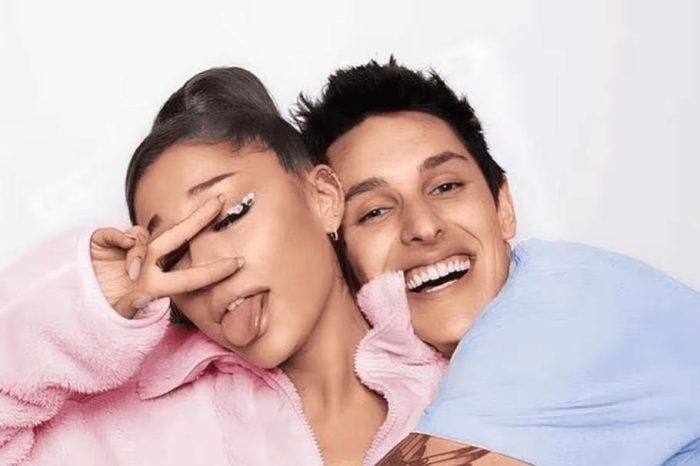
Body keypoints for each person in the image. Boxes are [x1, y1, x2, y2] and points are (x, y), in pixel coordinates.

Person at [0, 67, 445, 466]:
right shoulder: (120, 428)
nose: (205, 266)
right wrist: (85, 305)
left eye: (231, 215)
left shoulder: (460, 385)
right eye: (174, 254)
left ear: (323, 197)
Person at [295, 58, 700, 465]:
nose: (423, 227)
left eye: (445, 187)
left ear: (503, 207)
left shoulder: (563, 307)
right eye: (375, 211)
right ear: (341, 259)